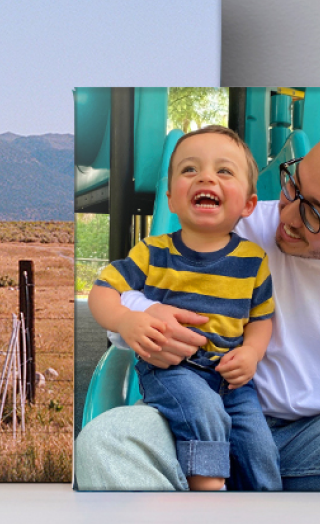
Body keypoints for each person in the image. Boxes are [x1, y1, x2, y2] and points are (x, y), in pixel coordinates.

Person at [77, 112, 320, 492]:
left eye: (315, 215)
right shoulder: (234, 223)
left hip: (319, 439)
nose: (287, 215)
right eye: (293, 185)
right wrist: (147, 314)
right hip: (205, 414)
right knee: (107, 443)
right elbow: (121, 292)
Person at [86, 125, 281, 491]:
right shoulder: (153, 251)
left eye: (224, 171)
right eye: (190, 170)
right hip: (172, 370)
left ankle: (267, 505)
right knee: (200, 410)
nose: (206, 176)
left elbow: (260, 318)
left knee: (259, 446)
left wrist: (252, 353)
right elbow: (102, 291)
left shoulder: (254, 260)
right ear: (171, 198)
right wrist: (127, 321)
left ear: (248, 205)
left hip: (232, 380)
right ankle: (207, 494)